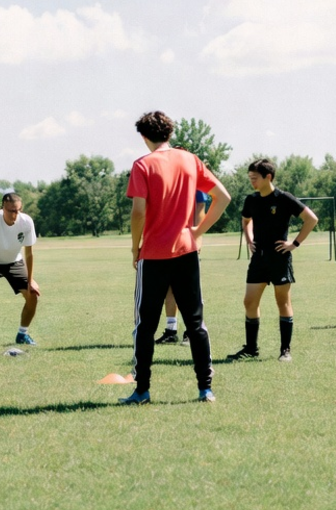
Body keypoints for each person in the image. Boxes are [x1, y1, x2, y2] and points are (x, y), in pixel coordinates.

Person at [120, 111, 231, 405]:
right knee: (195, 323)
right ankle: (205, 388)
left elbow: (139, 211)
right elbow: (223, 197)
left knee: (145, 325)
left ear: (144, 137)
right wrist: (197, 230)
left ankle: (142, 389)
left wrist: (135, 248)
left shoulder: (143, 165)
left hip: (154, 253)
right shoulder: (190, 159)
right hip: (186, 250)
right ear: (169, 133)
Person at [227, 159, 318, 362]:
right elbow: (246, 220)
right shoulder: (251, 199)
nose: (252, 182)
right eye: (250, 178)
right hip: (258, 259)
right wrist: (249, 239)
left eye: (255, 178)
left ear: (268, 177)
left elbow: (311, 219)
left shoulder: (284, 198)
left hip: (279, 259)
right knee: (249, 301)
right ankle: (251, 348)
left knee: (282, 302)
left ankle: (285, 350)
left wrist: (294, 244)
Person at [0, 192, 40, 351]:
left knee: (32, 294)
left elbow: (29, 253)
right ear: (2, 208)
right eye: (11, 210)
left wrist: (30, 280)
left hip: (14, 261)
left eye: (18, 210)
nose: (15, 214)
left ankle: (22, 334)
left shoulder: (26, 222)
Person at [155, 190, 208, 346]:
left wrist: (197, 237)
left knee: (191, 290)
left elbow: (200, 207)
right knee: (170, 288)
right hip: (169, 241)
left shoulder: (194, 177)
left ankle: (191, 332)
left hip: (188, 242)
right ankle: (171, 331)